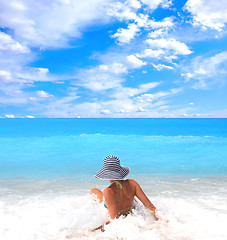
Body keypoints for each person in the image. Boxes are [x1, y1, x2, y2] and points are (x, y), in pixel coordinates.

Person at [91, 155, 158, 230]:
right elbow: (150, 207)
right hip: (130, 212)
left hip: (117, 215)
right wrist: (161, 223)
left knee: (94, 190)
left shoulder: (108, 191)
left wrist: (92, 232)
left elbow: (114, 221)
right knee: (133, 199)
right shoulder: (133, 183)